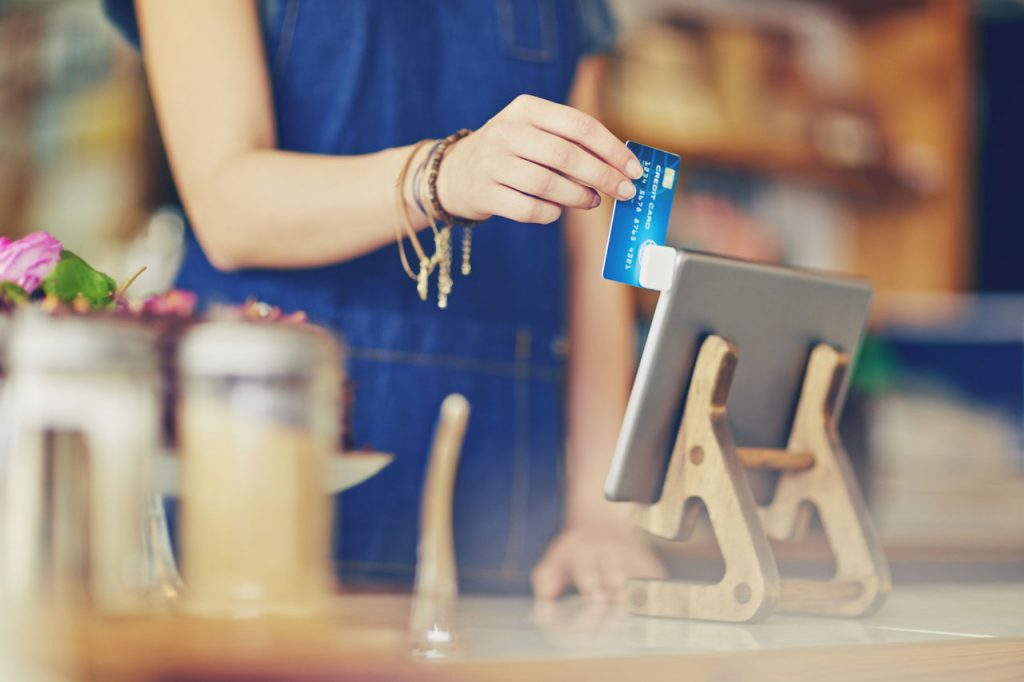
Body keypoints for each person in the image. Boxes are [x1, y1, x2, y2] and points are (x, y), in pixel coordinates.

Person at [105, 0, 665, 602]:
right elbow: (226, 206)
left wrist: (603, 510)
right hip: (261, 467)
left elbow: (593, 224)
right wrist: (444, 173)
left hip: (504, 508)